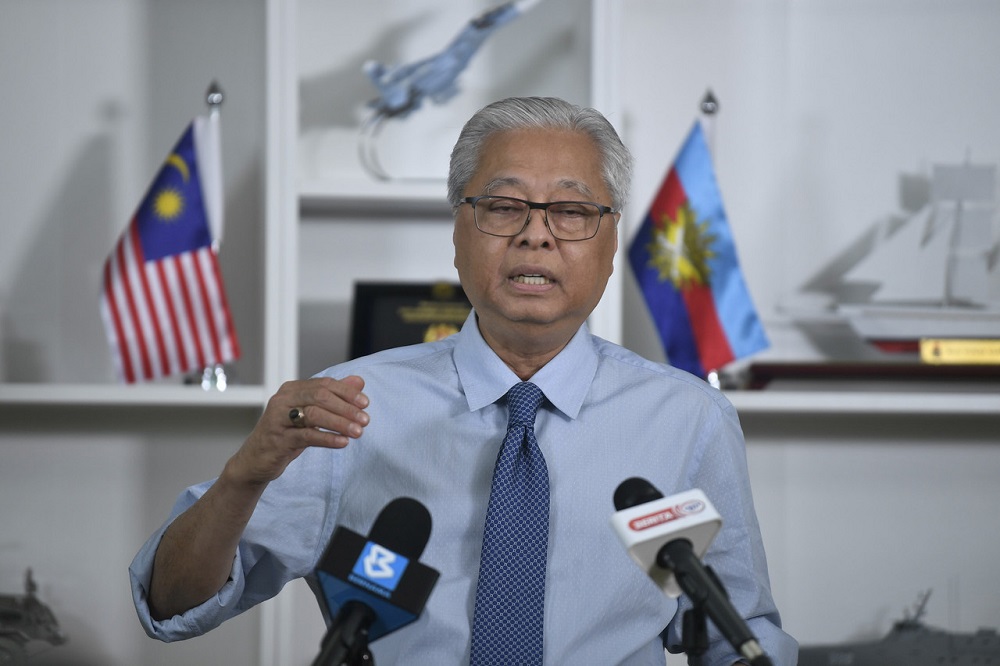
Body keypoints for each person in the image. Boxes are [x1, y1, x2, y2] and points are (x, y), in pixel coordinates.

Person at [129, 96, 798, 665]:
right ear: (458, 230)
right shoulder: (349, 409)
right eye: (504, 206)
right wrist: (244, 476)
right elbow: (171, 603)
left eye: (571, 211)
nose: (536, 236)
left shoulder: (685, 420)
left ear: (609, 237)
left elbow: (733, 634)